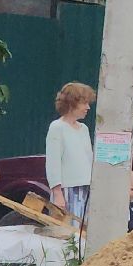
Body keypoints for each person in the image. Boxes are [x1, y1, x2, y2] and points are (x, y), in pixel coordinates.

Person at [46, 82, 94, 223]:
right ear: (72, 103)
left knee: (84, 232)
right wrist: (57, 193)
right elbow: (53, 162)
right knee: (66, 233)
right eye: (84, 103)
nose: (88, 107)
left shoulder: (84, 129)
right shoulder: (57, 127)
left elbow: (89, 159)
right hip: (67, 190)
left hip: (86, 189)